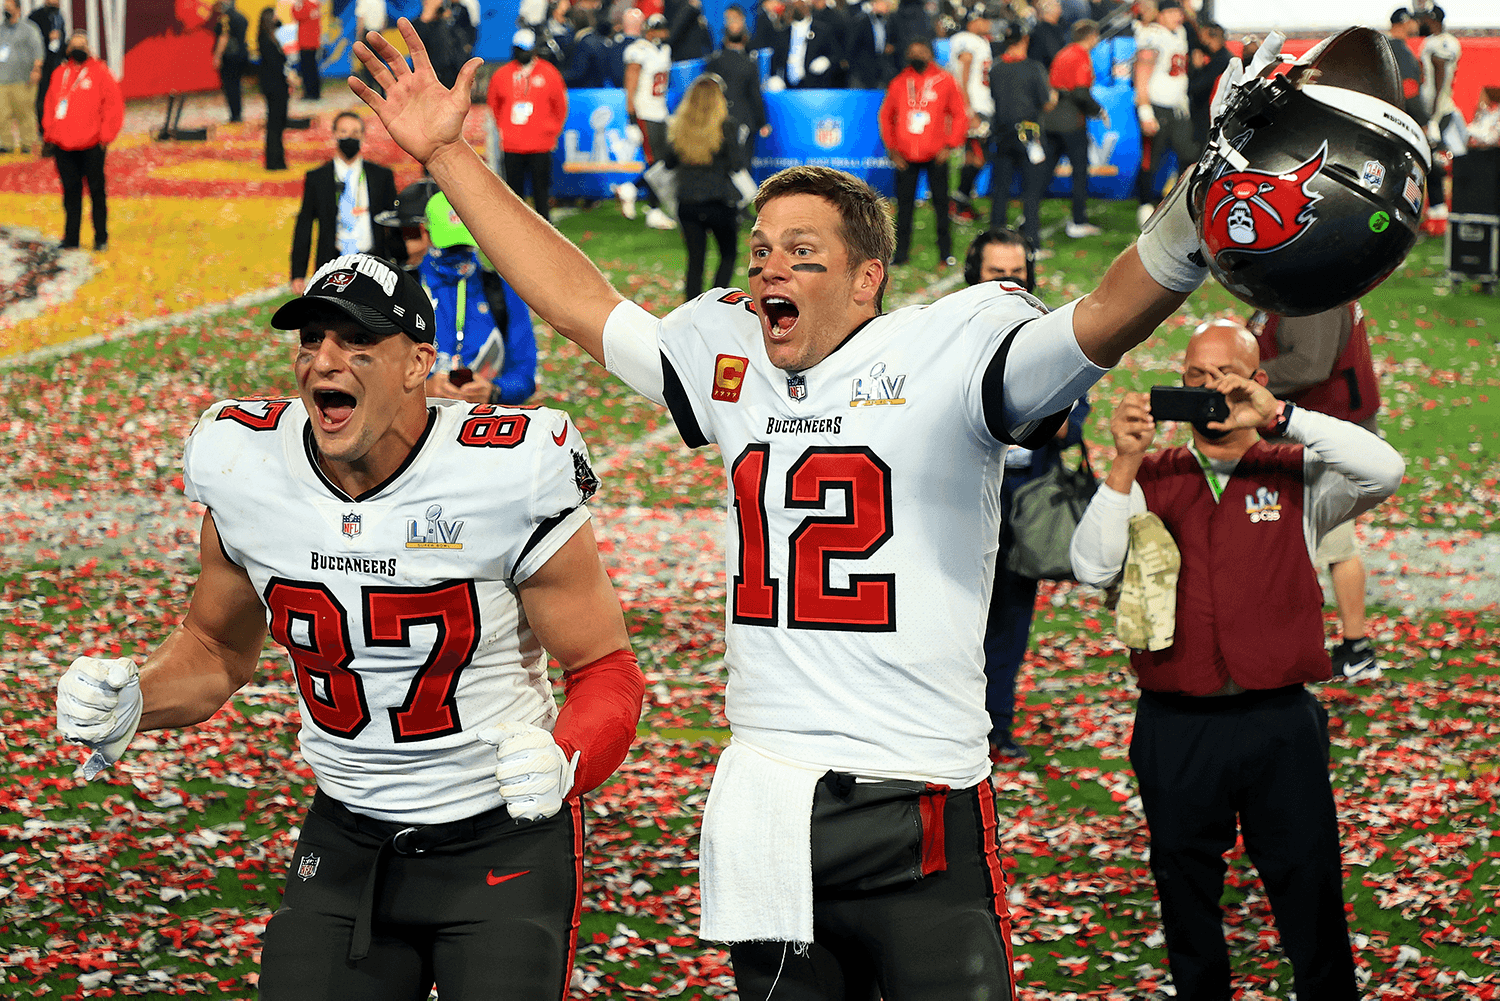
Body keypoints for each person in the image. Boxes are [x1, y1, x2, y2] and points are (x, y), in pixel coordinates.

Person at [349, 16, 1228, 997]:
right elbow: (578, 301)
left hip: (922, 793)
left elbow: (1100, 320)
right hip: (770, 799)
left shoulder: (954, 344)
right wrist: (450, 155)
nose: (767, 268)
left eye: (800, 253)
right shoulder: (731, 356)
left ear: (866, 278)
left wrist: (1189, 225)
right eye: (762, 248)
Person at [54, 251, 644, 1001]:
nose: (323, 361)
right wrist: (137, 696)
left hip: (501, 840)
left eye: (356, 343)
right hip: (345, 834)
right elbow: (214, 648)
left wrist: (567, 755)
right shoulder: (247, 464)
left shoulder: (506, 470)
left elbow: (606, 669)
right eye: (311, 341)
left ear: (417, 365)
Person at [1070, 320, 1403, 1001]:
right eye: (1196, 376)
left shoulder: (1296, 469)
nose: (1211, 388)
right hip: (1175, 719)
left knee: (1308, 884)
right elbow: (1089, 566)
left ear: (1258, 378)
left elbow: (1385, 469)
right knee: (1185, 890)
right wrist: (1125, 460)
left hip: (1277, 718)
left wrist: (1280, 416)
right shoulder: (1152, 474)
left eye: (1229, 375)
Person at [961, 229, 1088, 762]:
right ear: (975, 276)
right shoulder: (950, 334)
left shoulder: (1051, 336)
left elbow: (1072, 426)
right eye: (998, 274)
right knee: (955, 622)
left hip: (1026, 500)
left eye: (1018, 274)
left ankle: (998, 727)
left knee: (1011, 623)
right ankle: (956, 725)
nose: (1011, 285)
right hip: (964, 502)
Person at [1248, 302, 1383, 681]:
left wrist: (1248, 377)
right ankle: (1352, 647)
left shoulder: (1311, 297)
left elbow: (1310, 364)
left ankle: (1355, 648)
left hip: (1328, 434)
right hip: (1326, 430)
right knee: (1323, 542)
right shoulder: (1310, 284)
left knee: (1332, 544)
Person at [290, 112, 401, 294]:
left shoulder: (381, 176)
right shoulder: (317, 178)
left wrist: (401, 261)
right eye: (344, 131)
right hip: (332, 263)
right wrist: (298, 273)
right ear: (334, 134)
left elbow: (393, 221)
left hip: (373, 263)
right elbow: (305, 225)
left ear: (363, 136)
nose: (350, 137)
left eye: (356, 132)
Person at [880, 39, 966, 268]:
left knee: (941, 204)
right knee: (904, 208)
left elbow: (959, 114)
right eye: (912, 51)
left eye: (921, 50)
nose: (916, 54)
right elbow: (886, 116)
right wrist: (892, 149)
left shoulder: (945, 80)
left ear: (930, 53)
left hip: (936, 153)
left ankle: (945, 253)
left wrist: (949, 145)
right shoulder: (899, 82)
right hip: (905, 156)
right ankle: (900, 255)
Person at [664, 74, 747, 300]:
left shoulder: (678, 127)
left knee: (695, 261)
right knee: (728, 255)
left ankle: (691, 309)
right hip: (719, 202)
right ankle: (717, 302)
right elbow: (736, 164)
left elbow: (668, 163)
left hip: (688, 202)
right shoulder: (726, 126)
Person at [41, 31, 121, 252]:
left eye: (82, 44)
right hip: (63, 145)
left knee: (96, 192)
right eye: (74, 44)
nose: (78, 48)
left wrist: (105, 137)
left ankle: (101, 237)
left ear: (89, 48)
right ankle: (71, 238)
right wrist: (49, 134)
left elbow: (113, 106)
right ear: (67, 50)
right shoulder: (59, 73)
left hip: (92, 144)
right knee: (70, 193)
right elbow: (49, 104)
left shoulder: (100, 72)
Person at [487, 28, 568, 225]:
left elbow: (560, 105)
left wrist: (552, 131)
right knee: (514, 191)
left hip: (541, 143)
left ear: (533, 50)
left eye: (525, 49)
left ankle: (545, 226)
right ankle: (516, 227)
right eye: (518, 49)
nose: (521, 53)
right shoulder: (502, 75)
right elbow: (494, 104)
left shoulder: (549, 72)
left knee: (541, 189)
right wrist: (505, 128)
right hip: (512, 143)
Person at [987, 22, 1051, 250]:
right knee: (1031, 191)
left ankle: (994, 239)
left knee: (1001, 189)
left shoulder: (995, 68)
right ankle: (1032, 241)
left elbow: (995, 97)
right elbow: (1045, 101)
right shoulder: (1034, 68)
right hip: (1029, 132)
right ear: (1024, 40)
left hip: (1003, 132)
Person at [1041, 18, 1105, 238]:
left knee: (1045, 169)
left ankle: (1028, 216)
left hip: (1051, 118)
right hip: (1071, 120)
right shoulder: (1080, 55)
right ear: (1092, 36)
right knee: (1079, 171)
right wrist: (1098, 110)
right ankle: (1078, 221)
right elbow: (1079, 91)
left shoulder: (1063, 53)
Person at [1133, 0, 1193, 228]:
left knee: (1187, 153)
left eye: (1179, 11)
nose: (1177, 16)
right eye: (1171, 12)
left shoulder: (1180, 33)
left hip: (1176, 106)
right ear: (1161, 14)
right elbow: (1142, 72)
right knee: (1152, 158)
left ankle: (1178, 202)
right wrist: (1145, 110)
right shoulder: (1152, 35)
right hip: (1156, 105)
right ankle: (1145, 203)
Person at [618, 13, 677, 230]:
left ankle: (630, 189)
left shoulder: (665, 50)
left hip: (660, 111)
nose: (661, 33)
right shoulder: (639, 51)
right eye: (657, 29)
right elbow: (630, 86)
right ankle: (653, 210)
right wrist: (631, 119)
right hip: (644, 113)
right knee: (657, 165)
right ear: (648, 30)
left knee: (663, 163)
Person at [945, 5, 994, 222]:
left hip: (981, 104)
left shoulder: (980, 40)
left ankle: (961, 203)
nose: (989, 23)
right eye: (985, 19)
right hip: (974, 106)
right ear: (974, 21)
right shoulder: (967, 40)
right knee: (979, 157)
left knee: (972, 157)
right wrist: (967, 109)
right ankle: (958, 201)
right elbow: (961, 74)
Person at [705, 10, 770, 167]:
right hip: (743, 122)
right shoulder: (749, 64)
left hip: (717, 119)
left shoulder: (714, 62)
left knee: (720, 164)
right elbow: (754, 95)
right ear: (745, 38)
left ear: (725, 38)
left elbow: (706, 92)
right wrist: (762, 122)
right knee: (741, 167)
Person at [1418, 5, 1462, 219]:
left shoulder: (1441, 43)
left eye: (1425, 18)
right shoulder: (1440, 41)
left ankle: (1438, 210)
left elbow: (1440, 75)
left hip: (1438, 109)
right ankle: (1437, 209)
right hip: (1437, 107)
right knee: (1433, 157)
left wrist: (1432, 113)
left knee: (1434, 159)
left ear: (1432, 19)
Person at [0, 0, 43, 155]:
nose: (6, 12)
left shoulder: (29, 29)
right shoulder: (1, 30)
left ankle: (28, 143)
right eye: (5, 9)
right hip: (3, 80)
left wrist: (36, 69)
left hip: (23, 79)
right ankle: (5, 144)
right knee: (2, 115)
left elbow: (38, 51)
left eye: (9, 9)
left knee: (25, 113)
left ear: (18, 9)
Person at [1185, 20, 1229, 153]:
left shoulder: (1220, 61)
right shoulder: (1222, 58)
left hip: (1206, 118)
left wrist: (1197, 69)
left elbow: (1198, 87)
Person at [258, 8, 289, 171]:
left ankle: (278, 159)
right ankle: (273, 161)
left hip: (277, 85)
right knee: (275, 124)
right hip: (274, 86)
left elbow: (281, 25)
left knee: (278, 123)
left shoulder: (272, 37)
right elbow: (276, 63)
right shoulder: (265, 39)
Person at [26, 0, 64, 136]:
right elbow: (30, 41)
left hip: (56, 64)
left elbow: (61, 40)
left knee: (58, 97)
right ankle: (43, 128)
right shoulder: (35, 17)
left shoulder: (59, 15)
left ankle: (58, 125)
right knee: (42, 97)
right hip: (41, 64)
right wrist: (47, 38)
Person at [1385, 9, 1427, 130]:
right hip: (1401, 120)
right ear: (1406, 22)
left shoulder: (1385, 45)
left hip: (1388, 116)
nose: (1417, 24)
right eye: (1415, 21)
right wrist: (1423, 121)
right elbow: (1408, 88)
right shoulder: (1400, 50)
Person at [211, 0, 250, 124]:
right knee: (237, 85)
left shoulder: (225, 19)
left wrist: (217, 56)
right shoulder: (241, 17)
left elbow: (224, 37)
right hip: (241, 53)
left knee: (230, 86)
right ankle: (238, 112)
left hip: (230, 56)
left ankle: (235, 114)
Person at [847, 0, 898, 90]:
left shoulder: (889, 22)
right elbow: (852, 47)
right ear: (874, 4)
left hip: (882, 70)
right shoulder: (861, 21)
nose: (887, 7)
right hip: (863, 71)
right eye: (884, 4)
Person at [292, 0, 321, 100]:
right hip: (313, 41)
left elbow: (297, 16)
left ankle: (309, 93)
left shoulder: (305, 5)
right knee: (313, 68)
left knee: (307, 70)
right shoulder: (315, 6)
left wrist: (294, 6)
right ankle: (315, 92)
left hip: (305, 42)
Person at [1029, 0, 1068, 68]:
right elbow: (1055, 57)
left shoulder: (1057, 26)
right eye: (1056, 4)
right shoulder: (1041, 31)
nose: (1059, 6)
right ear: (1048, 9)